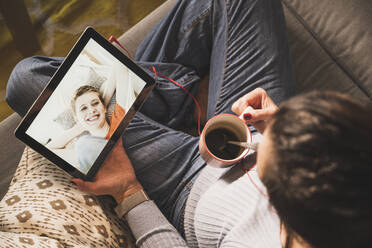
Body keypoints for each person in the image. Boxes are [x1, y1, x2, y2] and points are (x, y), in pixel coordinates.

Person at [8, 0, 370, 247]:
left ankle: (147, 89)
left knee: (28, 78)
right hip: (241, 126)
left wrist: (129, 193)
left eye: (269, 169)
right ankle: (158, 92)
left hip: (188, 182)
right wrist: (282, 124)